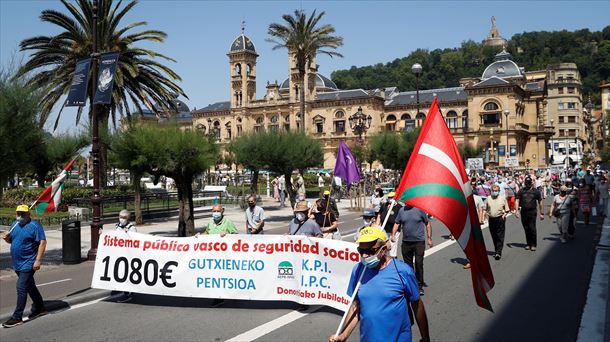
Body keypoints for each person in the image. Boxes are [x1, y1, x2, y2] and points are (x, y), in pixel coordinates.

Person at [328, 227, 430, 342]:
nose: (365, 256)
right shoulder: (358, 270)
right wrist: (343, 335)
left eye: (370, 251)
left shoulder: (403, 271)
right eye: (361, 251)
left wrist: (426, 338)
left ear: (383, 249)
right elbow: (355, 308)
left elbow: (417, 305)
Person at [2, 205, 48, 328]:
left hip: (29, 262)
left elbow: (42, 242)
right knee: (30, 286)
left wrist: (38, 260)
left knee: (21, 286)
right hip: (17, 262)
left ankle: (17, 317)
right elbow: (12, 240)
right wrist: (7, 239)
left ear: (28, 214)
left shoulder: (35, 225)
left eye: (23, 214)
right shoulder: (14, 224)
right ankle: (40, 308)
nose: (20, 216)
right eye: (18, 213)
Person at [392, 203, 432, 295]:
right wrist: (393, 235)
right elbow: (397, 223)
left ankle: (419, 285)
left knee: (418, 263)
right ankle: (411, 284)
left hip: (419, 242)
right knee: (408, 266)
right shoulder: (402, 210)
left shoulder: (420, 209)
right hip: (406, 243)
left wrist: (429, 238)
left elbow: (427, 223)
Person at [515, 176, 544, 251]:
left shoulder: (536, 191)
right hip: (524, 212)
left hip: (532, 212)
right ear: (524, 183)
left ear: (531, 183)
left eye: (529, 182)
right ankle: (528, 244)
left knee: (532, 228)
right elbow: (517, 200)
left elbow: (540, 202)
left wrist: (541, 213)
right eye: (526, 183)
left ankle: (533, 244)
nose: (528, 184)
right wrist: (516, 211)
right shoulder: (521, 191)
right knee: (526, 228)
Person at [114, 209, 137, 303]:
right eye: (120, 217)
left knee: (127, 273)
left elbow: (136, 240)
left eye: (124, 217)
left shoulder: (132, 228)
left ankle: (128, 293)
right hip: (119, 254)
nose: (121, 219)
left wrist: (128, 234)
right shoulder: (117, 226)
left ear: (128, 219)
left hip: (128, 255)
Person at [483, 185, 509, 260]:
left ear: (499, 191)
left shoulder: (502, 199)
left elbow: (507, 210)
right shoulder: (488, 198)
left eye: (496, 190)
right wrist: (483, 217)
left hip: (500, 219)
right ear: (491, 191)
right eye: (493, 190)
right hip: (491, 219)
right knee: (494, 236)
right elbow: (485, 209)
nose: (495, 192)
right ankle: (496, 249)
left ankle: (498, 252)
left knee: (500, 236)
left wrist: (504, 215)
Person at [377, 191, 400, 257]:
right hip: (384, 230)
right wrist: (377, 227)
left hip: (394, 231)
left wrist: (393, 235)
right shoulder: (384, 205)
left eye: (391, 197)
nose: (390, 199)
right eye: (389, 197)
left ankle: (393, 261)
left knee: (392, 248)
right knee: (384, 247)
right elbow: (379, 215)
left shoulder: (399, 207)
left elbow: (399, 221)